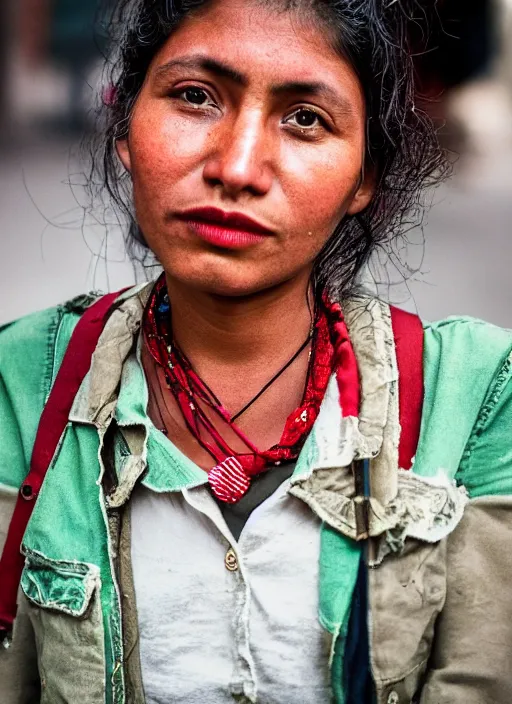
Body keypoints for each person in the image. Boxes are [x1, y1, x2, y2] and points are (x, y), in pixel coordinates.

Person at [1, 0, 511, 702]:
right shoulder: (19, 382)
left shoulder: (477, 394)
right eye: (195, 97)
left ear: (365, 177)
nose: (237, 167)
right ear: (125, 128)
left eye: (305, 118)